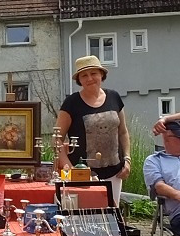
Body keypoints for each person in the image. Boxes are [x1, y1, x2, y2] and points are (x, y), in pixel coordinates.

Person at [56, 55, 131, 204]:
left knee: (111, 215)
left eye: (93, 73)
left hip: (114, 172)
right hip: (82, 176)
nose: (89, 78)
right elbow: (57, 139)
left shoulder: (114, 97)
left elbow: (122, 131)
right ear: (79, 80)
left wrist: (127, 159)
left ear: (101, 74)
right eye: (84, 75)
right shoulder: (71, 103)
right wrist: (70, 170)